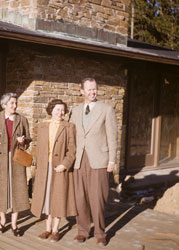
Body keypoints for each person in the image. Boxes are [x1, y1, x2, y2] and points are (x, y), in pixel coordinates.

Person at [70, 78, 118, 246]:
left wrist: (112, 159)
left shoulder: (106, 110)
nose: (92, 92)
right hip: (79, 160)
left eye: (95, 89)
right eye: (89, 90)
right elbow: (71, 136)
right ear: (81, 91)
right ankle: (83, 231)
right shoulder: (75, 111)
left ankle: (100, 233)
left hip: (99, 160)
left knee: (98, 198)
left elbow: (113, 137)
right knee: (80, 197)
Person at [31, 99, 77, 242]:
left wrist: (65, 164)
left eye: (63, 110)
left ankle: (56, 230)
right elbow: (39, 148)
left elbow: (72, 150)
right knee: (46, 198)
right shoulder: (43, 126)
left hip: (60, 168)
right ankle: (47, 229)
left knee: (58, 198)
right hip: (45, 168)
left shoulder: (69, 127)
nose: (60, 113)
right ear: (51, 110)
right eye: (57, 109)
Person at [0, 93, 31, 237]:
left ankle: (14, 223)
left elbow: (28, 140)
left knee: (18, 191)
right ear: (4, 104)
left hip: (16, 159)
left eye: (15, 103)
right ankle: (2, 220)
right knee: (1, 190)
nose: (15, 105)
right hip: (0, 159)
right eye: (12, 103)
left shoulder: (22, 119)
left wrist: (22, 141)